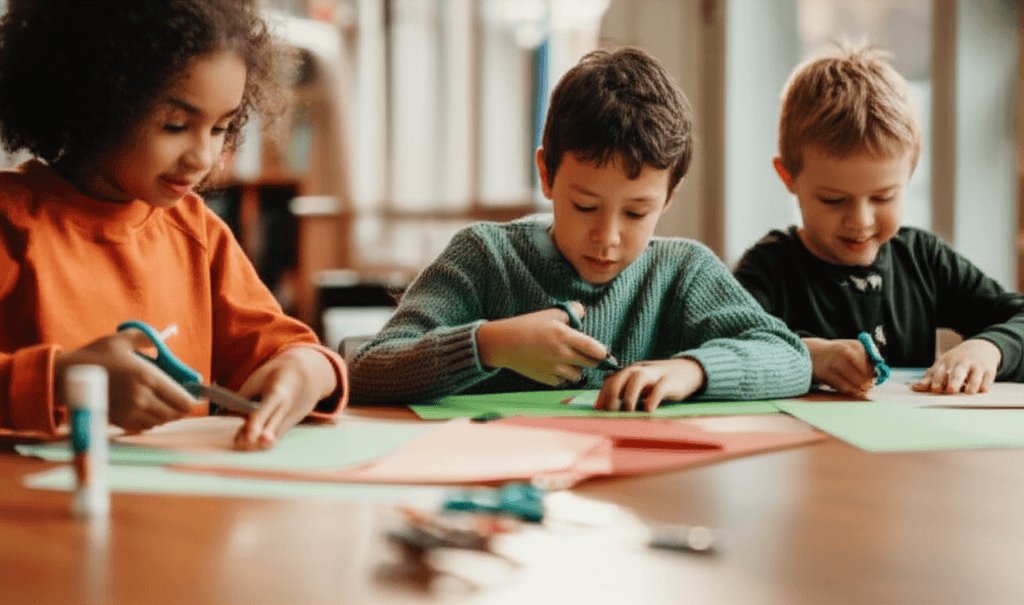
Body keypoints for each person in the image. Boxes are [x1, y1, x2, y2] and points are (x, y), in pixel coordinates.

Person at [349, 46, 811, 411]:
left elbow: (789, 357)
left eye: (636, 214)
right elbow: (367, 370)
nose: (607, 238)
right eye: (585, 205)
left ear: (669, 196)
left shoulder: (682, 270)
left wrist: (693, 370)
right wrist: (490, 345)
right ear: (546, 176)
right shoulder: (485, 257)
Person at [0, 0, 348, 449]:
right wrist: (64, 381)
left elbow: (287, 349)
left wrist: (307, 369)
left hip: (178, 509)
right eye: (176, 124)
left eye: (221, 128)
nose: (202, 158)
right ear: (96, 102)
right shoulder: (12, 221)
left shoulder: (198, 233)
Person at [733, 42, 1024, 398]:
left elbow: (1017, 316)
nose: (860, 220)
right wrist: (811, 356)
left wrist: (989, 348)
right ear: (788, 176)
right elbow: (728, 345)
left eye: (883, 197)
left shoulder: (923, 259)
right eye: (833, 199)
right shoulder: (769, 267)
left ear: (911, 172)